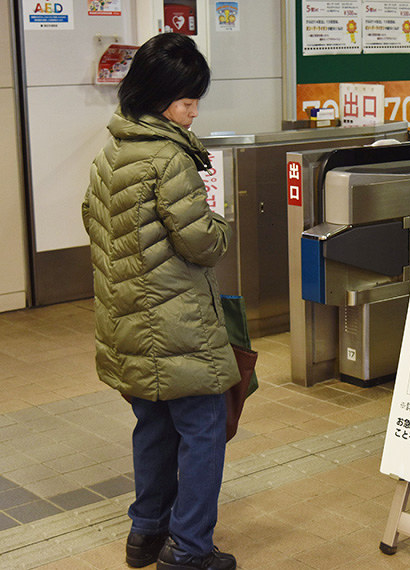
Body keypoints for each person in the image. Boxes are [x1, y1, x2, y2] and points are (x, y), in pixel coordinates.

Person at [81, 33, 238, 570]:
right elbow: (202, 243)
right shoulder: (169, 158)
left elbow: (99, 228)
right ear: (158, 98)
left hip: (128, 320)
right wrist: (222, 221)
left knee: (153, 426)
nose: (193, 113)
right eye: (187, 101)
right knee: (203, 428)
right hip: (176, 326)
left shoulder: (110, 154)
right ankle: (190, 549)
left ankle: (145, 534)